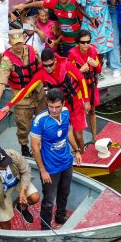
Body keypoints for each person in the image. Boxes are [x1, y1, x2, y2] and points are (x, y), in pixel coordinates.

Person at [6, 48, 90, 153]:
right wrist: (9, 105)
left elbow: (81, 80)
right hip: (60, 107)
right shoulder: (41, 74)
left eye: (50, 65)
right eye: (45, 66)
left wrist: (86, 100)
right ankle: (75, 152)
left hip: (76, 102)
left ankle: (82, 153)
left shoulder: (66, 65)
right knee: (65, 132)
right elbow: (26, 90)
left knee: (78, 135)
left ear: (55, 60)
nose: (48, 68)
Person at [30, 88, 83, 230]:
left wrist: (76, 150)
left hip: (66, 162)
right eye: (51, 107)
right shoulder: (39, 121)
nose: (54, 110)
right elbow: (34, 147)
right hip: (50, 168)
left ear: (63, 104)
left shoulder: (65, 112)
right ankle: (45, 228)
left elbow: (68, 133)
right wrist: (42, 171)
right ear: (47, 104)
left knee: (64, 193)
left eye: (57, 107)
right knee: (48, 201)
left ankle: (60, 217)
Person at [0, 30, 45, 157]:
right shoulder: (6, 60)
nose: (18, 46)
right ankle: (24, 147)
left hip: (38, 93)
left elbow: (42, 67)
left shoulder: (32, 50)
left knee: (43, 120)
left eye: (20, 43)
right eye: (15, 44)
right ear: (10, 43)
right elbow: (1, 83)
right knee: (23, 127)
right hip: (21, 98)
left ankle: (44, 145)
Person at [0, 147, 41, 242]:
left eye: (6, 162)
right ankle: (10, 238)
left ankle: (21, 207)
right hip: (2, 192)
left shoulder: (13, 155)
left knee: (35, 197)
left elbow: (25, 171)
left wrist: (23, 191)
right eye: (2, 165)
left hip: (18, 180)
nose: (6, 165)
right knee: (4, 219)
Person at [14, 0, 98, 57]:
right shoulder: (37, 23)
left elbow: (83, 22)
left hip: (77, 43)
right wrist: (24, 7)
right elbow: (39, 4)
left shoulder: (74, 4)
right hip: (65, 44)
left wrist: (81, 41)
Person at [67, 30, 102, 136]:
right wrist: (80, 71)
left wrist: (96, 65)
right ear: (78, 42)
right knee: (79, 113)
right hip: (78, 88)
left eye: (88, 41)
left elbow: (99, 70)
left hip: (91, 86)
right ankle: (78, 139)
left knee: (92, 111)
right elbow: (68, 74)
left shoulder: (93, 51)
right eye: (83, 42)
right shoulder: (72, 54)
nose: (86, 44)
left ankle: (94, 136)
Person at [76, 0, 115, 65]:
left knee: (102, 45)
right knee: (87, 43)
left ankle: (98, 69)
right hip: (89, 20)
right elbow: (77, 5)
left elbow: (113, 2)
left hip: (103, 21)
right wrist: (89, 17)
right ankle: (88, 69)